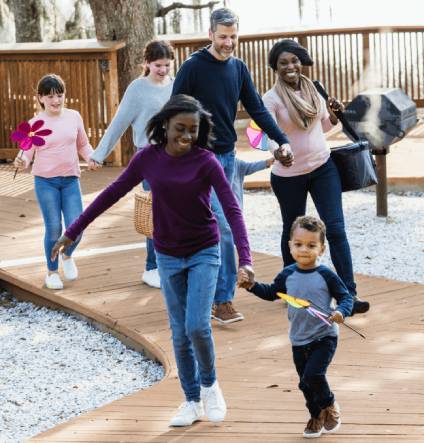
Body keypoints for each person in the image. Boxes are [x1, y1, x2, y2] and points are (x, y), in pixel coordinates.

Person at [50, 95, 255, 427]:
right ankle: (190, 401)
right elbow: (111, 193)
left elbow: (232, 209)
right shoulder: (148, 158)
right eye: (180, 128)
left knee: (197, 326)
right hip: (168, 254)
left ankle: (210, 386)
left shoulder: (206, 161)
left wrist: (245, 258)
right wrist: (73, 231)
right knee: (178, 331)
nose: (186, 136)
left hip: (205, 249)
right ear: (164, 126)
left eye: (193, 130)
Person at [172, 7, 293, 324]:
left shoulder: (238, 69)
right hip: (197, 160)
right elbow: (174, 110)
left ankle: (215, 296)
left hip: (226, 159)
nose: (228, 42)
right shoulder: (192, 68)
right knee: (220, 228)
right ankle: (219, 298)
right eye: (223, 36)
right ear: (210, 34)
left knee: (224, 226)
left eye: (233, 36)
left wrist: (281, 140)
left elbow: (258, 110)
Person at [262, 38, 369, 315]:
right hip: (289, 175)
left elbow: (320, 126)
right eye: (283, 62)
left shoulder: (314, 89)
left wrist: (334, 116)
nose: (290, 66)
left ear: (301, 62)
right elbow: (269, 134)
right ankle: (290, 290)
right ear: (275, 67)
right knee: (292, 230)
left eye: (294, 60)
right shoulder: (271, 99)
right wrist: (279, 152)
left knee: (335, 229)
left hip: (323, 167)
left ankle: (349, 295)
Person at [239, 215, 353, 438]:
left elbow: (345, 297)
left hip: (324, 335)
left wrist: (341, 311)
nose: (304, 250)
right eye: (298, 244)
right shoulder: (287, 274)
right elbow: (271, 293)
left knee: (313, 374)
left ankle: (330, 403)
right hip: (299, 339)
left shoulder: (326, 275)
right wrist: (251, 285)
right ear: (290, 245)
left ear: (322, 249)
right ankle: (315, 415)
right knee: (304, 383)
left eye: (311, 245)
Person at [88, 40, 175, 289]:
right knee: (155, 211)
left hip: (177, 156)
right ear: (146, 63)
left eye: (167, 65)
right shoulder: (137, 89)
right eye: (158, 65)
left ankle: (171, 263)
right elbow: (119, 123)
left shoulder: (175, 84)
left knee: (175, 211)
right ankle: (152, 267)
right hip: (150, 156)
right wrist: (99, 154)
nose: (163, 69)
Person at [13, 73, 93, 290]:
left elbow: (83, 144)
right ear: (40, 98)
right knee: (54, 228)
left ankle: (67, 255)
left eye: (60, 95)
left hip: (70, 181)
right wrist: (21, 160)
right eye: (50, 97)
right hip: (45, 182)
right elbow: (27, 153)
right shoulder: (34, 123)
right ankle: (52, 272)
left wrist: (92, 158)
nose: (56, 100)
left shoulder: (74, 116)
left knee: (77, 227)